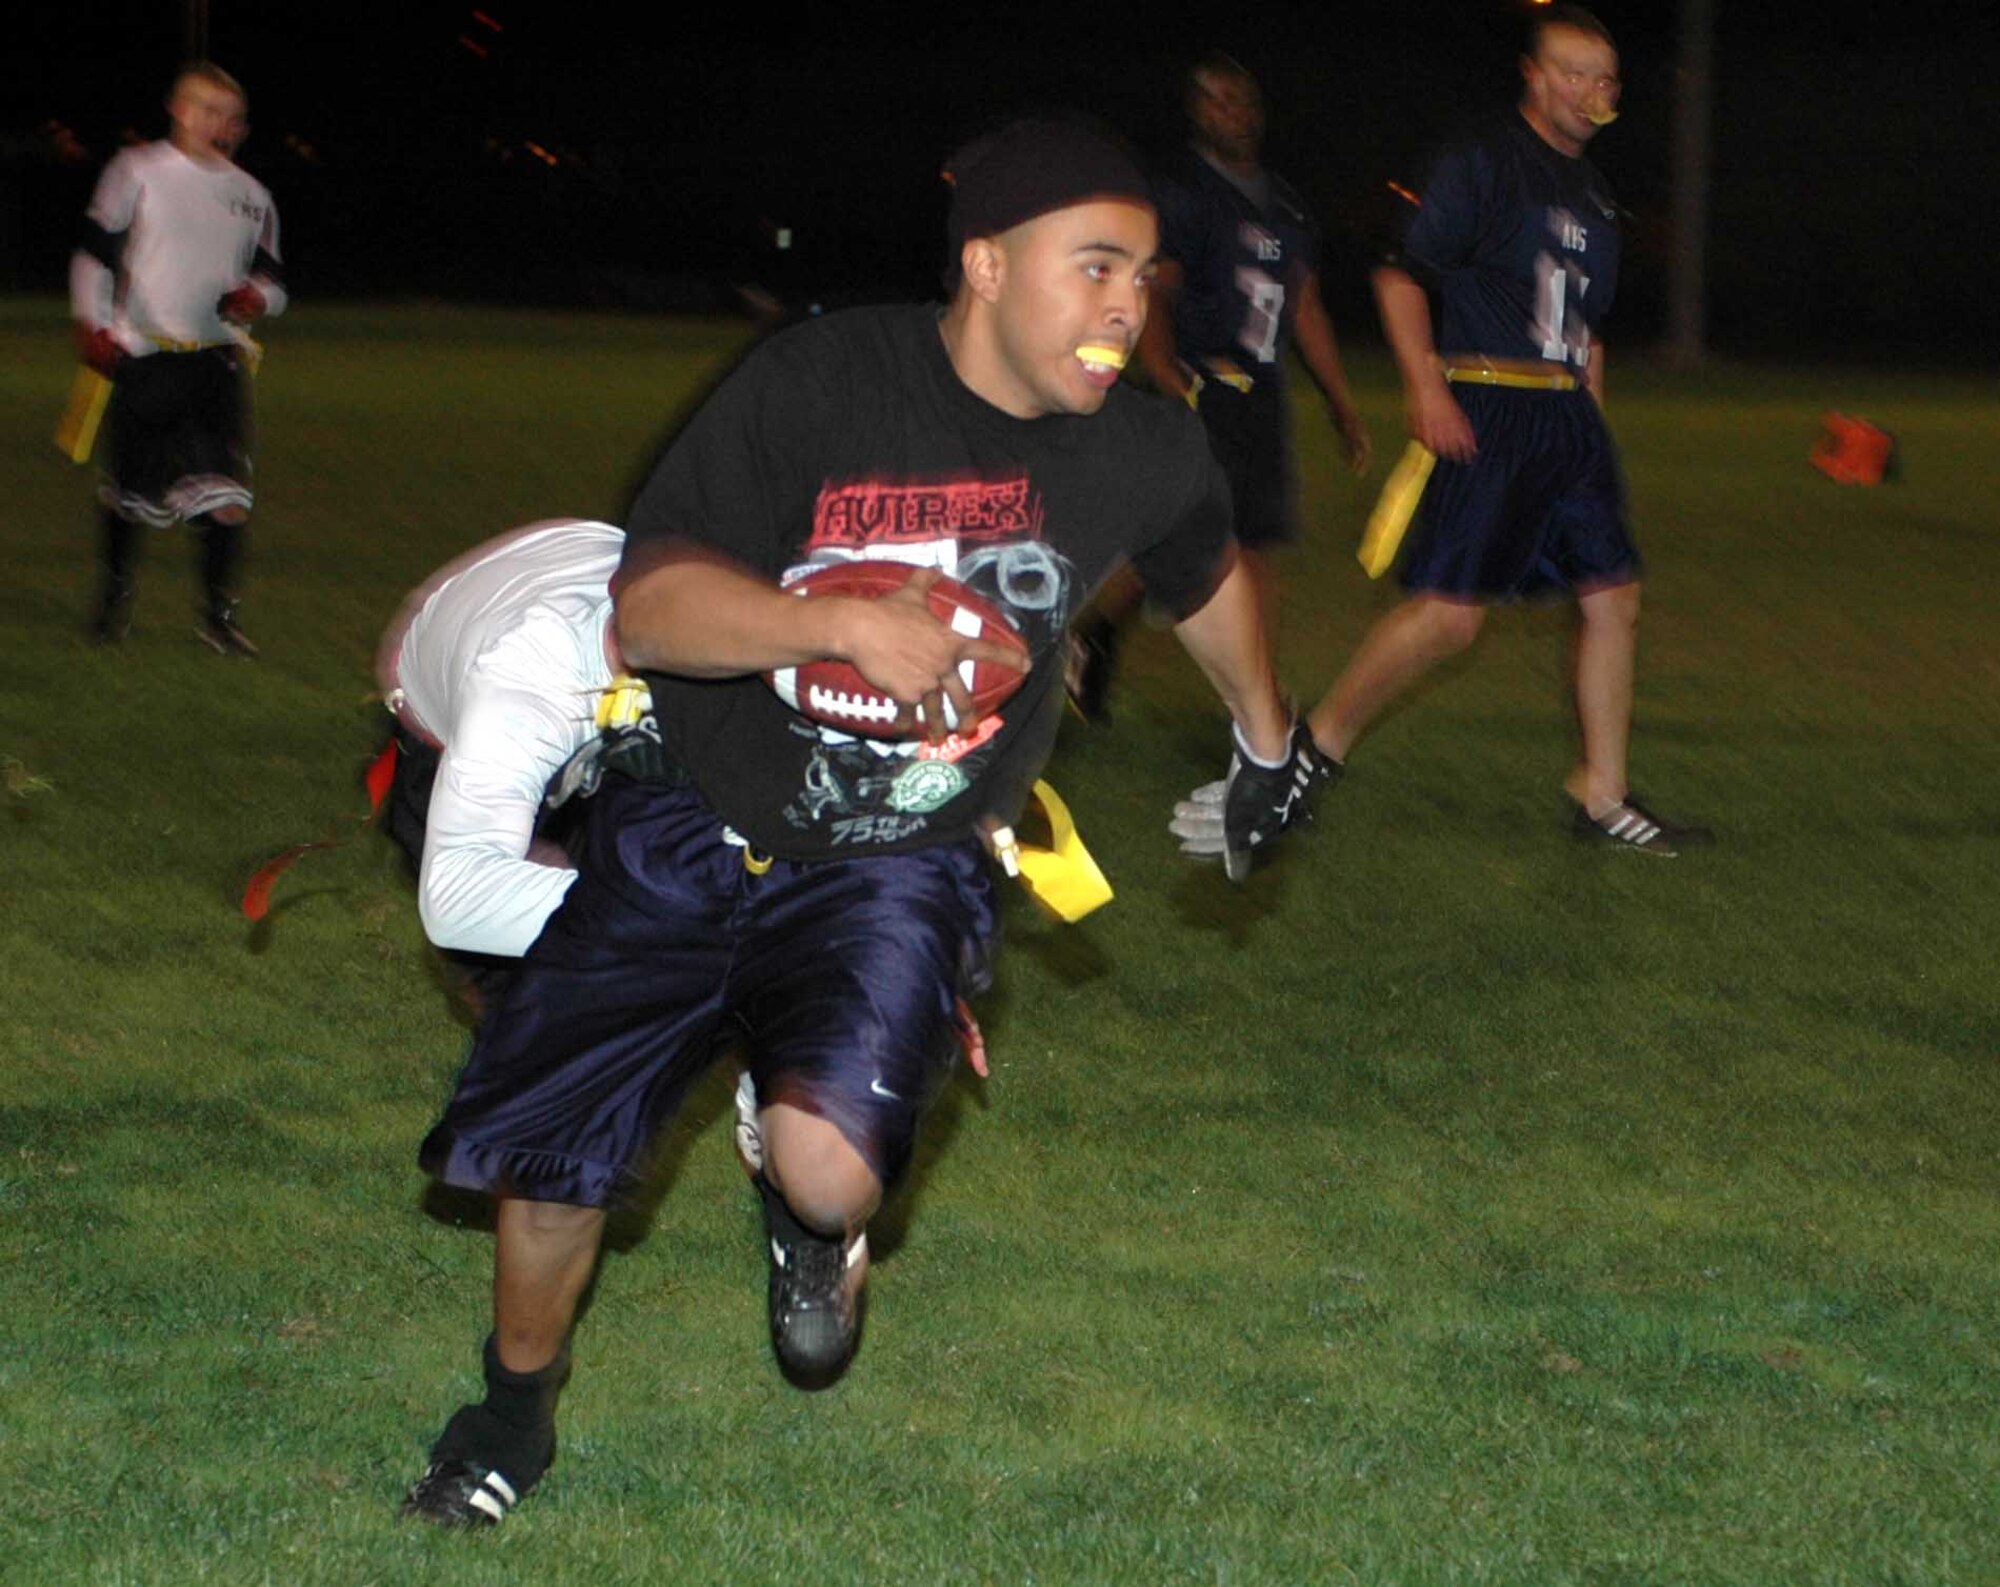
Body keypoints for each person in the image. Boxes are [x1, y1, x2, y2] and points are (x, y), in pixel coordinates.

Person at [399, 114, 1330, 1528]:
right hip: (690, 815)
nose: (1127, 307)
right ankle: (511, 1410)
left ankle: (802, 1215)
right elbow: (649, 608)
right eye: (1095, 268)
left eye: (1143, 276)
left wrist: (1269, 740)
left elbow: (1202, 574)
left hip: (903, 851)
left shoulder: (1139, 446)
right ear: (987, 264)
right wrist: (826, 621)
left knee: (834, 1169)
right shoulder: (817, 382)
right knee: (550, 1171)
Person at [1185, 6, 1709, 857]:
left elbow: (1590, 327)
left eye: (1605, 78)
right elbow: (1401, 276)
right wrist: (1426, 386)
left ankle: (1601, 792)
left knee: (1614, 597)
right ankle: (1310, 751)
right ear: (1533, 75)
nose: (1590, 91)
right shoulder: (1483, 162)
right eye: (1572, 72)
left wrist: (1593, 423)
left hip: (1567, 416)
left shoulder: (1597, 193)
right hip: (1490, 404)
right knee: (1451, 617)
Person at [1068, 53, 1371, 722]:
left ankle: (1109, 636)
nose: (1231, 112)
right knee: (1207, 544)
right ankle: (1254, 699)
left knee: (1253, 542)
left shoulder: (1285, 201)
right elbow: (1156, 289)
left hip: (1260, 394)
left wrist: (1340, 401)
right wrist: (1166, 372)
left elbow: (1306, 307)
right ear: (1196, 112)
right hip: (1202, 386)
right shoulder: (1182, 192)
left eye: (1240, 100)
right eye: (1216, 101)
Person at [70, 61, 285, 655]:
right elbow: (92, 256)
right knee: (130, 495)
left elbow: (274, 279)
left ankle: (217, 619)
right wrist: (93, 325)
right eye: (210, 111)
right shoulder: (136, 171)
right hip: (145, 357)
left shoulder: (252, 196)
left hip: (215, 363)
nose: (223, 126)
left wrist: (256, 296)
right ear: (180, 110)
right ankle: (113, 600)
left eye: (233, 118)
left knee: (229, 501)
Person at [374, 520, 630, 966]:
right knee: (512, 978)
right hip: (441, 733)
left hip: (505, 613)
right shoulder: (528, 687)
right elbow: (462, 896)